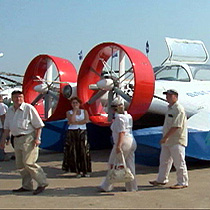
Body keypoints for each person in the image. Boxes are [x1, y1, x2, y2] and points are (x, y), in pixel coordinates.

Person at [0, 90, 48, 195]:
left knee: (29, 162)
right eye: (16, 97)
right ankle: (27, 185)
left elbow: (38, 125)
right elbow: (6, 128)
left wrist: (37, 138)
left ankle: (42, 182)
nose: (18, 99)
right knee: (20, 164)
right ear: (12, 99)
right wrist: (3, 141)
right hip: (16, 139)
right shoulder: (10, 111)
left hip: (28, 138)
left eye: (20, 97)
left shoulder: (28, 108)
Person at [149, 89, 189, 189]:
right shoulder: (170, 108)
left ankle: (182, 182)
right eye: (167, 96)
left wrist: (165, 137)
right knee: (164, 161)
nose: (167, 98)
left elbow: (176, 126)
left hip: (176, 140)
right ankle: (161, 179)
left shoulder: (178, 109)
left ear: (175, 96)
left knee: (179, 162)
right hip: (167, 141)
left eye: (170, 96)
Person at [99, 100, 138, 192]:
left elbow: (121, 132)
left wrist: (118, 146)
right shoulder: (128, 116)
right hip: (131, 140)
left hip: (123, 142)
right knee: (130, 164)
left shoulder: (119, 118)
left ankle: (106, 186)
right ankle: (132, 187)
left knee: (113, 163)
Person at [62, 96, 91, 177]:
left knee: (84, 151)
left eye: (76, 103)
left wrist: (77, 122)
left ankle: (85, 170)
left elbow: (86, 120)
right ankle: (77, 170)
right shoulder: (69, 112)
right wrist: (74, 112)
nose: (75, 104)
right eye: (73, 103)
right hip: (72, 132)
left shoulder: (84, 111)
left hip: (82, 131)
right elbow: (71, 121)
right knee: (74, 151)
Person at [0, 94, 8, 161]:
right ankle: (1, 156)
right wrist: (4, 126)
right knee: (1, 141)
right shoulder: (1, 106)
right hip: (0, 126)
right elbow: (3, 117)